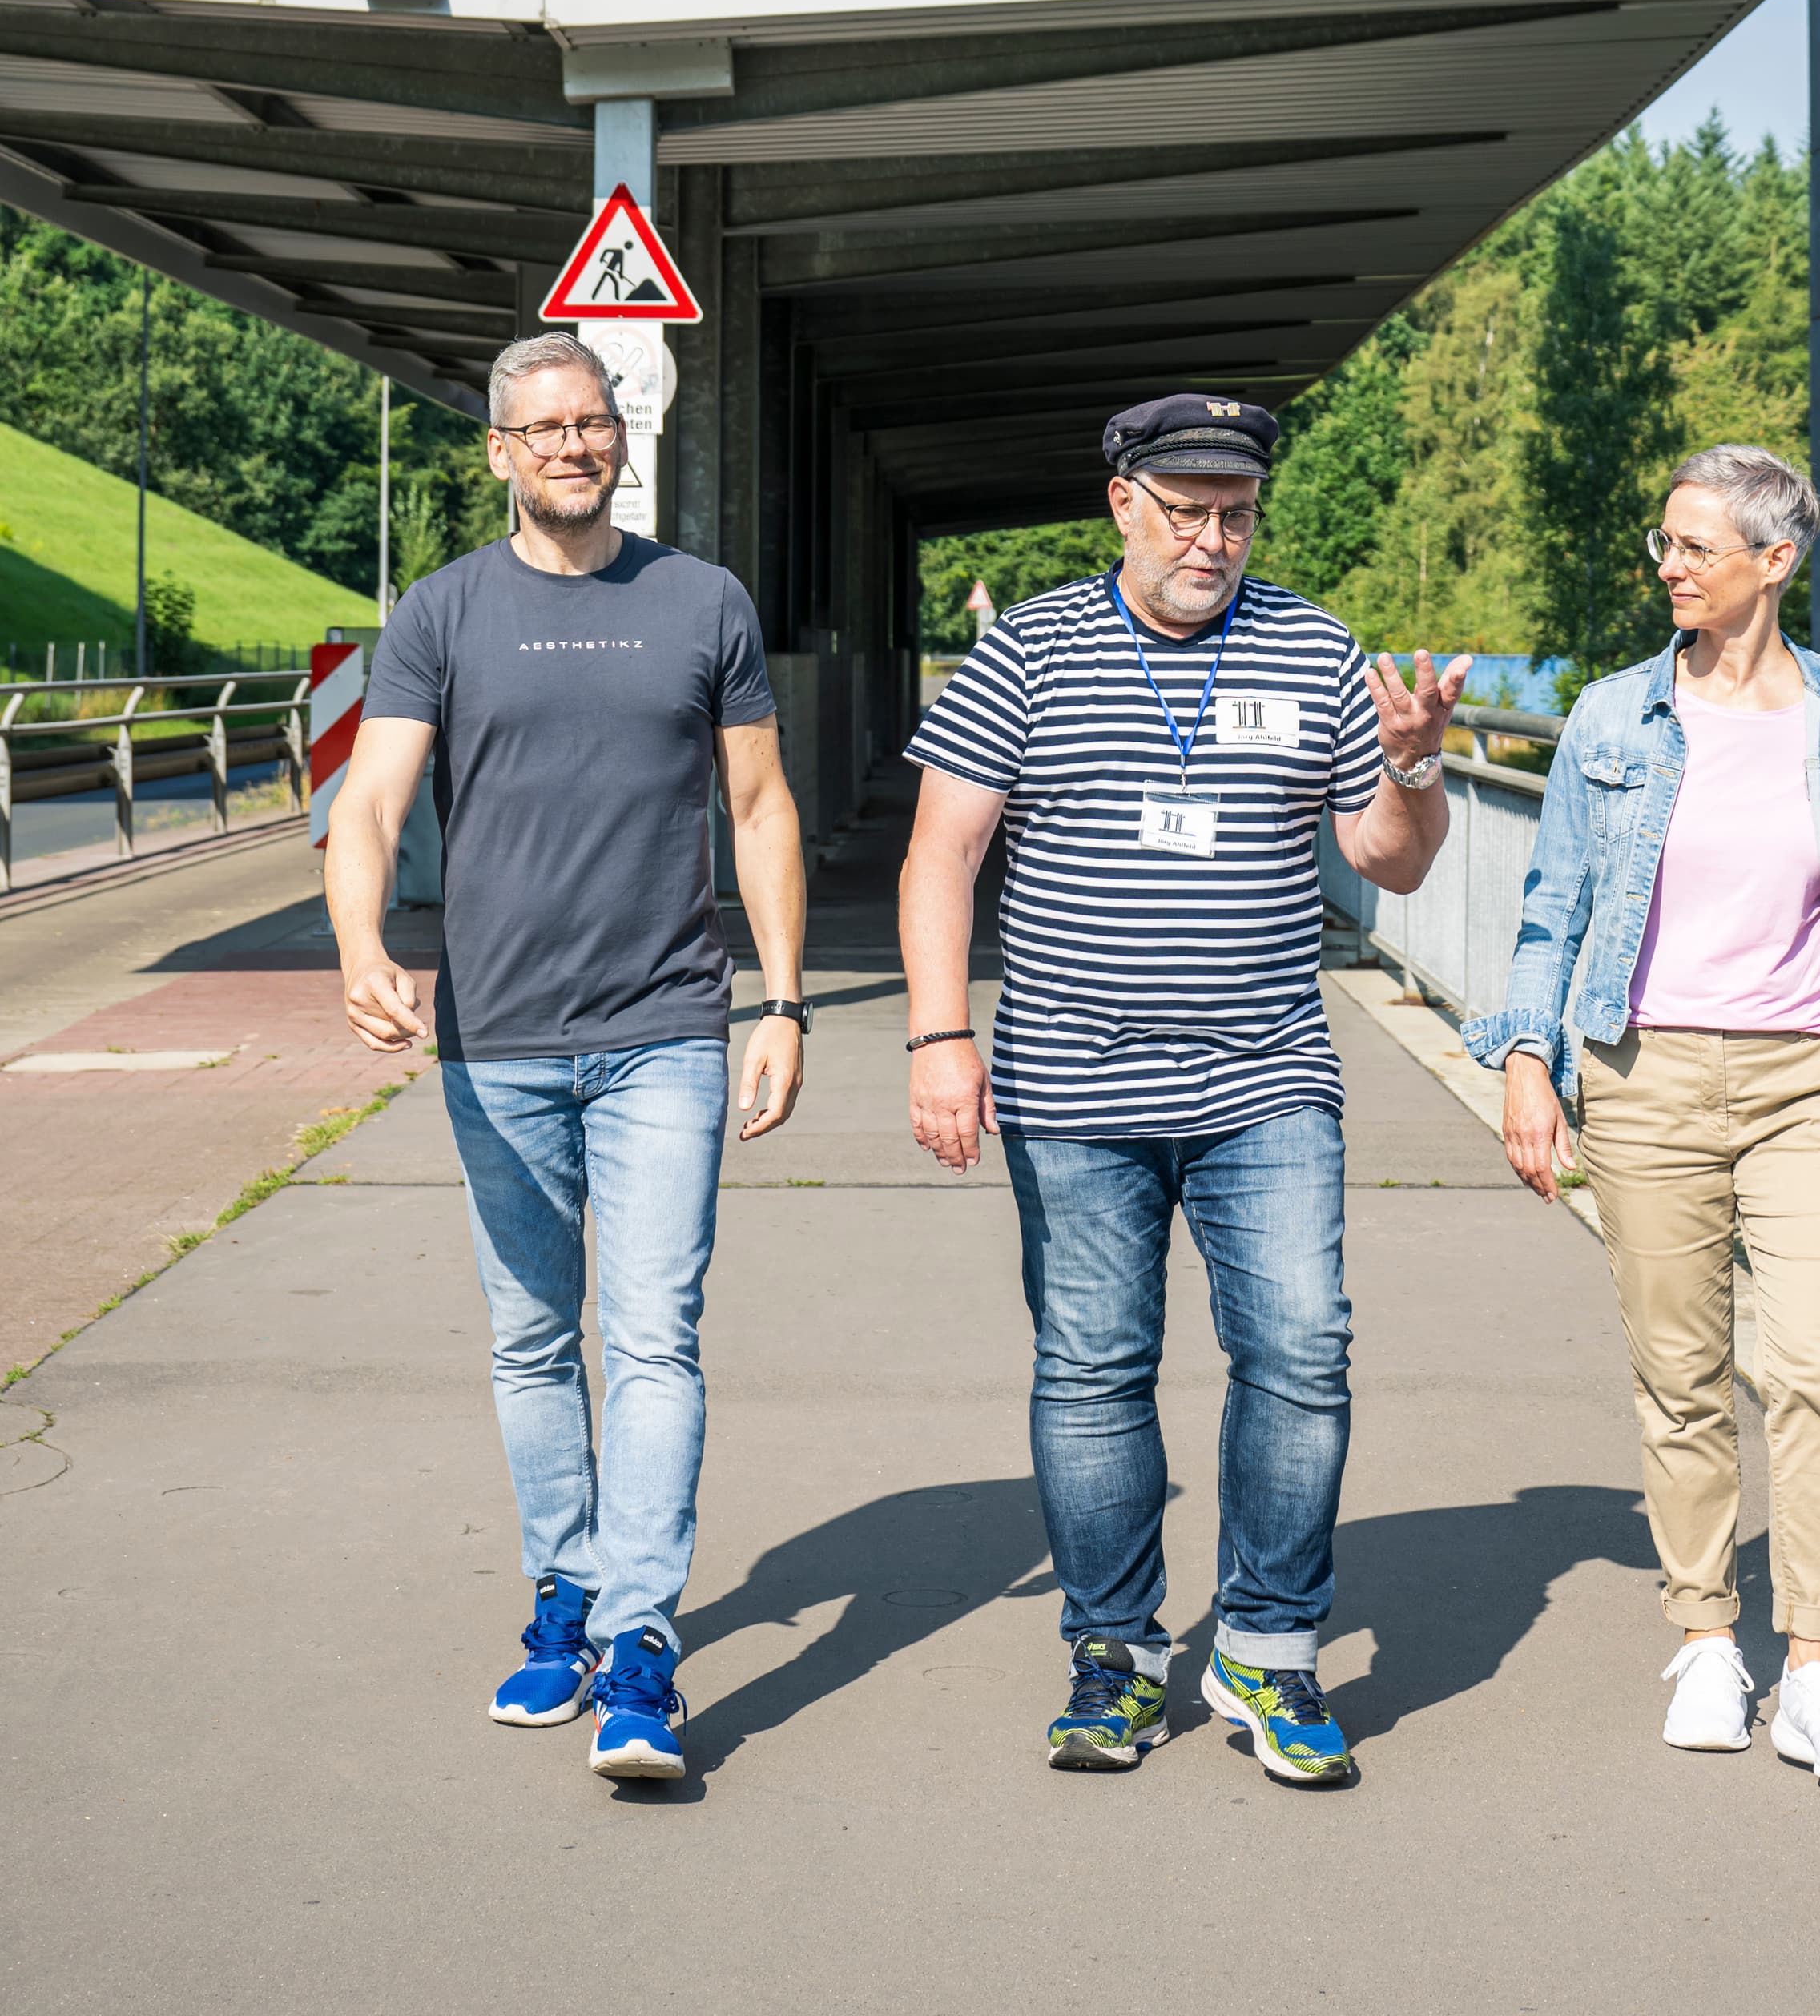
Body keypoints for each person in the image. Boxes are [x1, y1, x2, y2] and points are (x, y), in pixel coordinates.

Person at [897, 388, 1468, 1788]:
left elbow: (1391, 864)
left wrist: (1413, 766)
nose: (1214, 539)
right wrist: (937, 1037)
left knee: (1303, 1350)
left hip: (1266, 1079)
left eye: (1237, 513)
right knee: (1094, 1372)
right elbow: (941, 859)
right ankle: (1113, 1652)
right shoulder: (1026, 648)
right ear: (1122, 506)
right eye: (1188, 511)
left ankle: (1268, 1650)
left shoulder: (1313, 647)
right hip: (1071, 1084)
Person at [328, 327, 806, 1785]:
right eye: (542, 431)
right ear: (499, 452)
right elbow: (369, 801)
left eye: (591, 424)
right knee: (533, 1337)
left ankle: (642, 1646)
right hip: (500, 1037)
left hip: (665, 1027)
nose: (572, 448)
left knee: (651, 1333)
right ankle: (565, 1597)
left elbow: (764, 805)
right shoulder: (442, 613)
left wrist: (781, 1002)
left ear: (621, 436)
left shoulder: (700, 599)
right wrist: (361, 946)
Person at [1464, 442, 1820, 1789]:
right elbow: (1555, 907)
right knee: (1682, 1377)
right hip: (1645, 1077)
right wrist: (1528, 1057)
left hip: (1815, 1077)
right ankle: (1705, 1635)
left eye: (1696, 545)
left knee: (1812, 1368)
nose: (1670, 566)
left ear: (1776, 561)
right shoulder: (1610, 718)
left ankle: (1818, 1669)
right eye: (1664, 542)